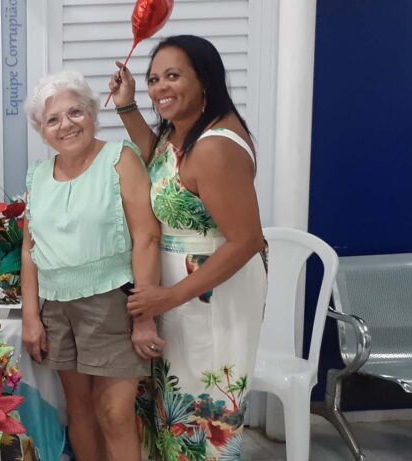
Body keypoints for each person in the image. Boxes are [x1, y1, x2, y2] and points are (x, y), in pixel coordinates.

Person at [108, 35, 268, 459]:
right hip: (180, 294)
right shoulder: (184, 133)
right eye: (154, 79)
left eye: (173, 76)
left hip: (213, 295)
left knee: (203, 409)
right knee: (175, 407)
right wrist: (126, 106)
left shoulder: (215, 147)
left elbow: (248, 240)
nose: (160, 88)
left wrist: (167, 297)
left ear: (205, 80)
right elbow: (159, 166)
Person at [20, 70, 164, 461]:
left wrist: (145, 315)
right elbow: (30, 249)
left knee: (115, 414)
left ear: (92, 114)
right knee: (78, 410)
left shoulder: (120, 159)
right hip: (56, 308)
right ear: (42, 130)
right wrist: (31, 317)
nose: (66, 125)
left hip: (112, 304)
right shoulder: (38, 175)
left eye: (75, 112)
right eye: (53, 119)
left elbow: (147, 238)